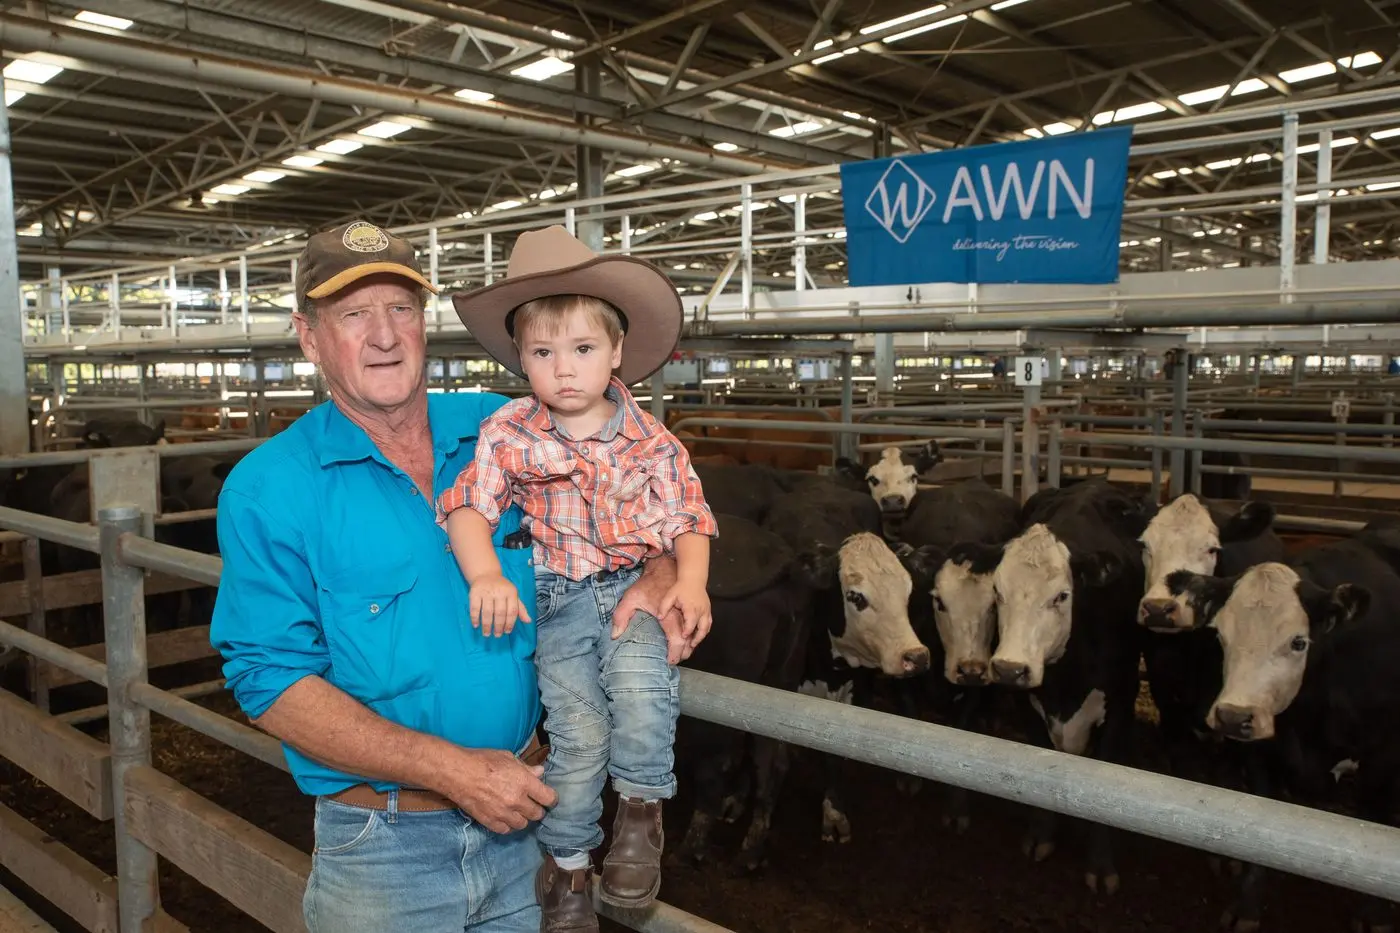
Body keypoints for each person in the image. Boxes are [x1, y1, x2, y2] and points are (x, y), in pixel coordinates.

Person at [209, 220, 697, 933]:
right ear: (309, 337)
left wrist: (659, 566)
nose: (384, 335)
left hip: (531, 817)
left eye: (401, 308)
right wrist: (453, 771)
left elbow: (631, 495)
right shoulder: (270, 487)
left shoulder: (511, 429)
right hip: (383, 849)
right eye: (353, 314)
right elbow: (269, 682)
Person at [439, 225, 717, 933]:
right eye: (543, 353)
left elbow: (688, 514)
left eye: (583, 349)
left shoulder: (653, 440)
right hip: (557, 601)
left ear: (616, 351)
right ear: (521, 359)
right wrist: (484, 574)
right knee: (578, 732)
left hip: (631, 590)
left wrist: (690, 582)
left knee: (643, 691)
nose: (564, 369)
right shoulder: (509, 432)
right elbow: (469, 506)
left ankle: (642, 817)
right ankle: (566, 866)